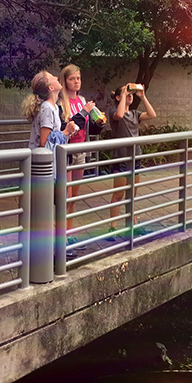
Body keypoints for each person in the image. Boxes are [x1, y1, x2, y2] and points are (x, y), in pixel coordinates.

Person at [58, 64, 105, 250]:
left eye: (78, 78)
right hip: (67, 151)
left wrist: (99, 123)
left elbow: (87, 127)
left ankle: (68, 233)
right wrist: (84, 111)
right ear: (65, 80)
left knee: (74, 196)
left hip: (81, 149)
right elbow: (66, 124)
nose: (76, 82)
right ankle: (60, 236)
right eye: (72, 79)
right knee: (65, 196)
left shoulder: (83, 99)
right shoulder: (62, 102)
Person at [107, 83, 157, 238]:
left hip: (135, 156)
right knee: (118, 194)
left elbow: (152, 115)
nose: (130, 96)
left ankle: (133, 224)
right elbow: (120, 115)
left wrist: (142, 96)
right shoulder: (113, 111)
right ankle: (112, 228)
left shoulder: (135, 114)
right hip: (121, 157)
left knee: (132, 194)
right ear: (118, 97)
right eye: (126, 94)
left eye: (130, 94)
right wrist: (122, 94)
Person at [23, 70, 76, 149]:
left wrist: (69, 132)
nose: (56, 77)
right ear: (51, 87)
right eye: (52, 77)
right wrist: (66, 132)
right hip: (43, 159)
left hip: (50, 158)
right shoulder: (47, 108)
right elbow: (44, 142)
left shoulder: (54, 106)